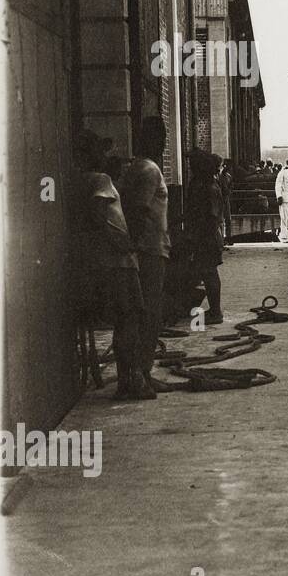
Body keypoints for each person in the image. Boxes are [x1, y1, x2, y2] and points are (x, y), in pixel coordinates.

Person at [74, 129, 147, 399]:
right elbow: (101, 218)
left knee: (124, 319)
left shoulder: (80, 180)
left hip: (103, 261)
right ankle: (131, 381)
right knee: (130, 318)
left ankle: (129, 379)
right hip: (118, 263)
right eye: (98, 150)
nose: (104, 155)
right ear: (87, 154)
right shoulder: (99, 180)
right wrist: (124, 243)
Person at [120, 116, 170, 391]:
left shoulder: (136, 167)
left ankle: (140, 375)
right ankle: (141, 375)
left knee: (142, 315)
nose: (163, 144)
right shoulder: (149, 170)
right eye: (160, 138)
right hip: (149, 251)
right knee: (149, 315)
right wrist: (137, 250)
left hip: (149, 249)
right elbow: (138, 212)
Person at [185, 150, 225, 325]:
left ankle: (215, 312)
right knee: (205, 272)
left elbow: (211, 216)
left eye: (193, 164)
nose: (190, 167)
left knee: (209, 273)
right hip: (204, 236)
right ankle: (212, 310)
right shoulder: (201, 184)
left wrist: (199, 237)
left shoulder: (209, 187)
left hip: (207, 237)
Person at [218, 158, 234, 247]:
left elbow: (230, 186)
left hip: (226, 199)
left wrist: (229, 191)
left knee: (228, 219)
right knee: (221, 219)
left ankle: (228, 237)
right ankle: (222, 239)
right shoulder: (219, 176)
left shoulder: (228, 176)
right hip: (220, 199)